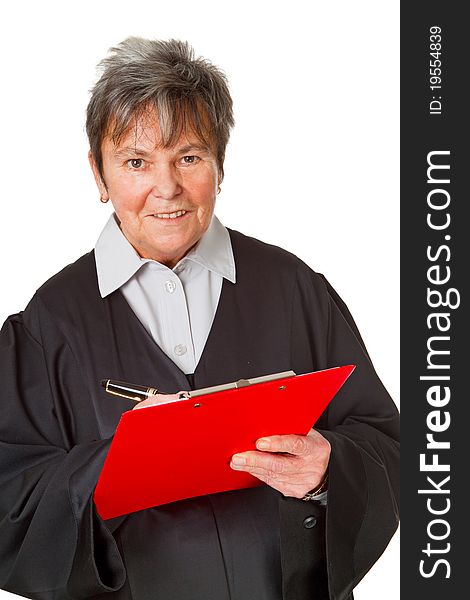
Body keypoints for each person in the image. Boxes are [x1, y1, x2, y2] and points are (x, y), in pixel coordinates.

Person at [0, 37, 399, 600]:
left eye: (188, 157)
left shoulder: (293, 289)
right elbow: (9, 498)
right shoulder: (47, 325)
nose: (167, 189)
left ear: (219, 163)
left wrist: (330, 469)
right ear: (98, 173)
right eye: (136, 162)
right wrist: (120, 464)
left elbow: (387, 445)